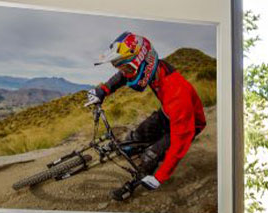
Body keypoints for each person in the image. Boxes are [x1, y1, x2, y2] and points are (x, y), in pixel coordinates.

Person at [86, 31, 206, 201]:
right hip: (168, 113)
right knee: (137, 135)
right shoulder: (151, 69)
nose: (126, 73)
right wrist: (103, 90)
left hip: (189, 123)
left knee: (151, 155)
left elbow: (181, 140)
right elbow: (123, 75)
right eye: (123, 68)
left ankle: (140, 179)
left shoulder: (176, 91)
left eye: (127, 68)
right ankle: (135, 149)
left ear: (142, 63)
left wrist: (159, 177)